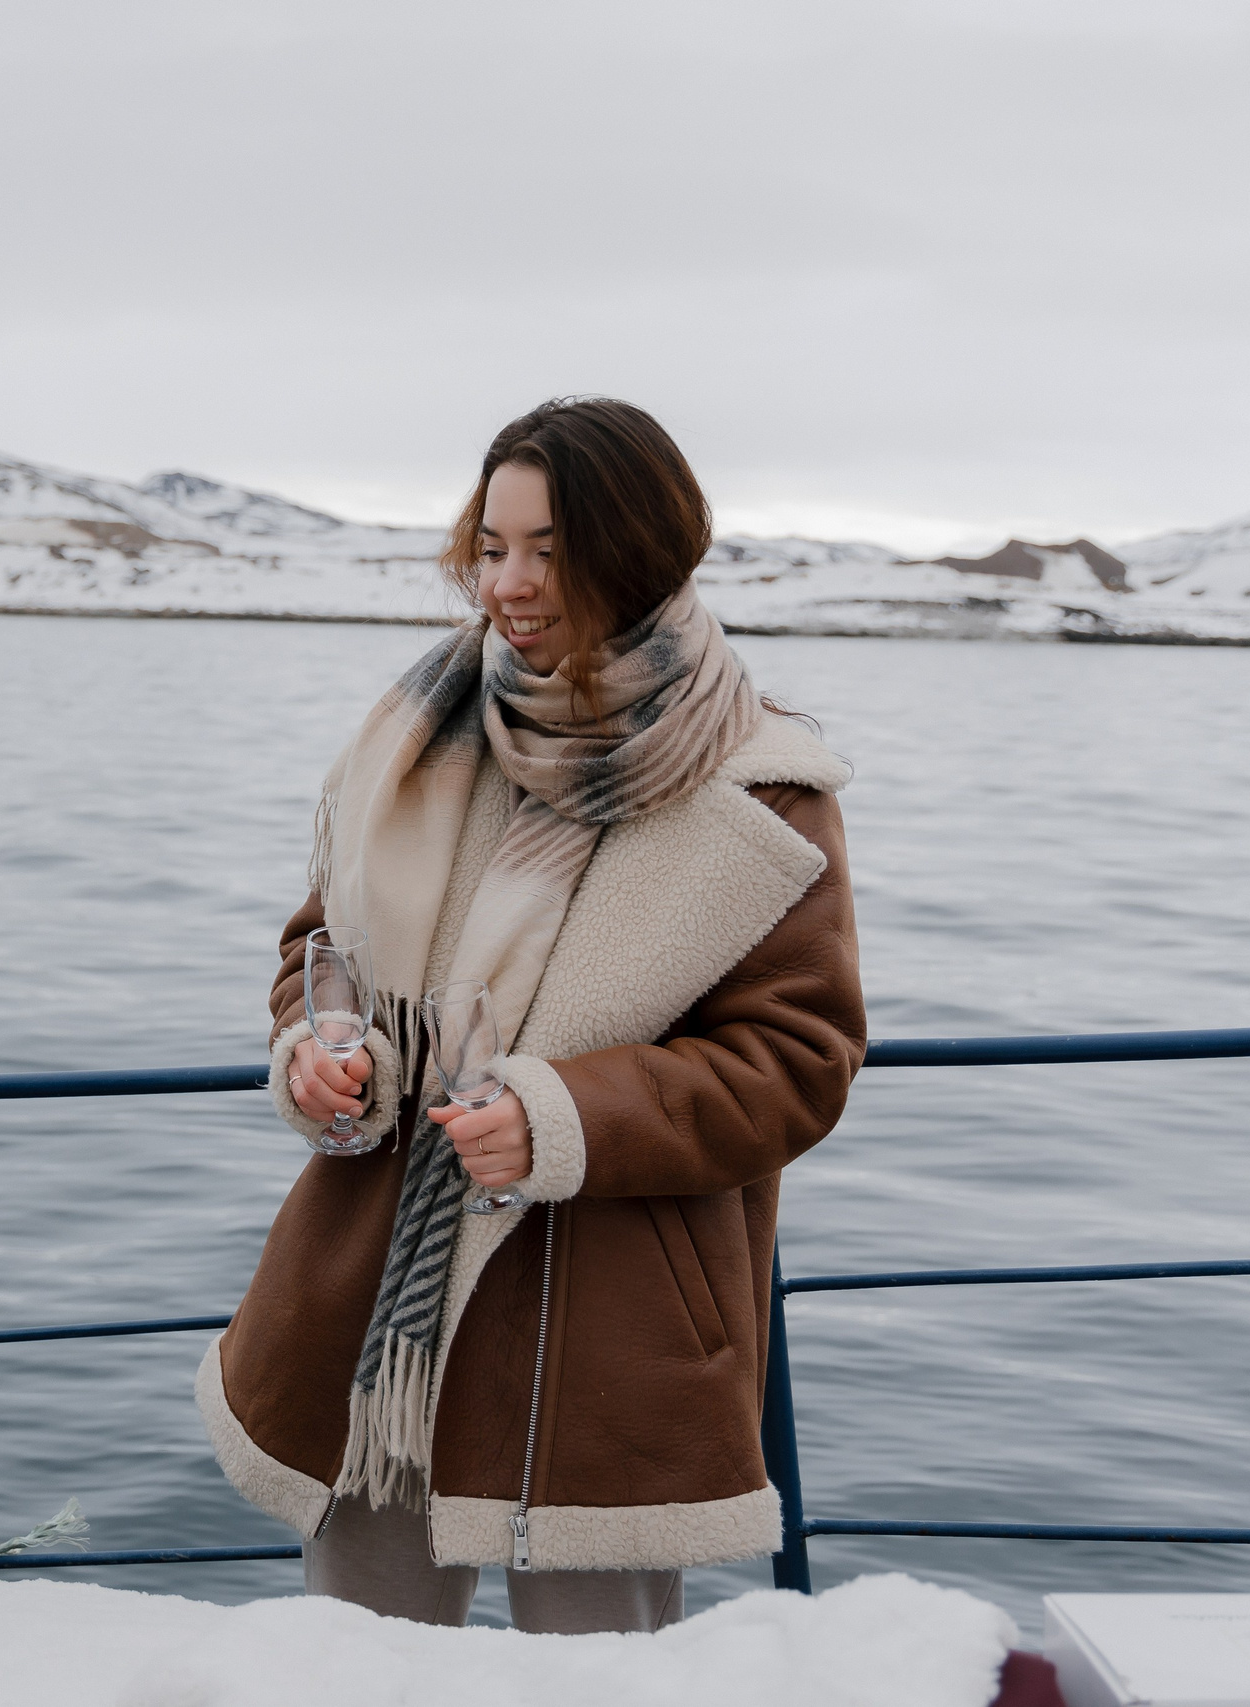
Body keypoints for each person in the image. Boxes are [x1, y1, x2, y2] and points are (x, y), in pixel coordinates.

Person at [196, 399, 864, 1633]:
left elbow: (796, 1063)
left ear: (642, 550)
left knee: (599, 1665)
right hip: (377, 1299)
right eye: (491, 545)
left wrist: (561, 1117)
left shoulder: (764, 788)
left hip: (608, 1320)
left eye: (549, 550)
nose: (507, 583)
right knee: (358, 1658)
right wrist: (319, 1049)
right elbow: (318, 946)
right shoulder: (418, 739)